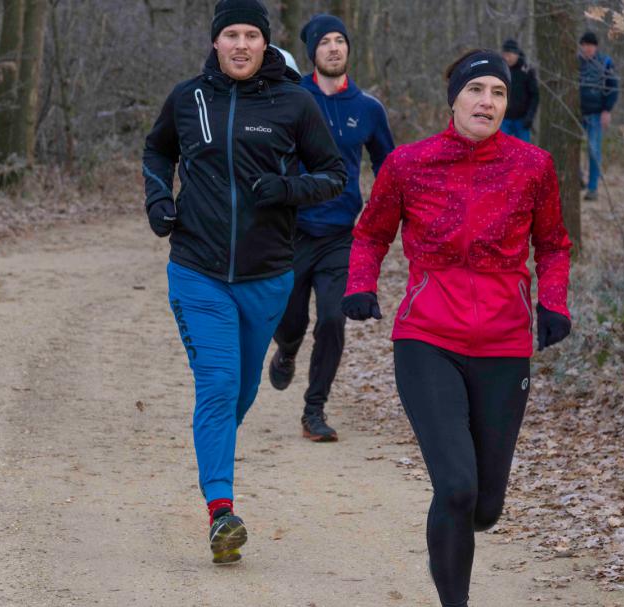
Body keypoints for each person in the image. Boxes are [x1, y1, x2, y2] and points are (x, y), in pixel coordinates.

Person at [341, 50, 573, 606]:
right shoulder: (408, 165)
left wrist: (554, 303)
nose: (486, 102)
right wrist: (360, 285)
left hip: (504, 343)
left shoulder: (532, 165)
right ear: (455, 99)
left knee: (485, 506)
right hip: (427, 339)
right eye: (476, 90)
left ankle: (461, 528)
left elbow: (554, 244)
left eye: (497, 92)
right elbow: (371, 234)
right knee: (456, 487)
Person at [142, 0, 345, 565]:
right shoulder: (188, 99)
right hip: (197, 271)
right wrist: (159, 198)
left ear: (264, 44)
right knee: (218, 382)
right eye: (229, 34)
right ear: (215, 42)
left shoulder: (294, 103)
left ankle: (213, 448)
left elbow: (334, 175)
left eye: (250, 35)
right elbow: (157, 150)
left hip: (268, 276)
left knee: (241, 391)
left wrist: (287, 190)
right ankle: (221, 511)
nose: (239, 44)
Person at [267, 13, 395, 442]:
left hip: (341, 234)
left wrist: (382, 213)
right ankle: (286, 352)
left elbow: (389, 169)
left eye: (341, 41)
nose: (335, 48)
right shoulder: (289, 97)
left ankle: (314, 409)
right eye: (326, 42)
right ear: (313, 52)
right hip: (292, 230)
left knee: (332, 321)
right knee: (290, 321)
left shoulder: (368, 108)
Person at [578, 30, 619, 201]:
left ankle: (593, 188)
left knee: (594, 151)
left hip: (595, 114)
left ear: (595, 47)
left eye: (590, 45)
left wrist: (606, 110)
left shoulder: (605, 63)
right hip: (576, 113)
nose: (587, 48)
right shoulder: (575, 63)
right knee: (570, 149)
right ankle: (578, 179)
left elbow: (613, 87)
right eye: (584, 45)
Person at [498, 38, 538, 143]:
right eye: (505, 54)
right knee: (502, 151)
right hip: (503, 119)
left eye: (509, 55)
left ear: (516, 54)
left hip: (522, 120)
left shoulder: (526, 70)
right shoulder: (500, 69)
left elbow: (534, 96)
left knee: (524, 152)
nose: (507, 58)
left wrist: (530, 116)